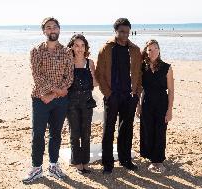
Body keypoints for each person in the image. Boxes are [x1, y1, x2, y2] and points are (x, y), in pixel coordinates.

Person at [23, 17, 74, 183]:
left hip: (59, 100)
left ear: (59, 30)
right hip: (40, 99)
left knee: (56, 134)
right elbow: (37, 76)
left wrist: (54, 94)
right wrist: (52, 92)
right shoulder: (36, 51)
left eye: (55, 27)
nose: (52, 30)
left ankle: (53, 165)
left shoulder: (67, 51)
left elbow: (69, 77)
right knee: (38, 134)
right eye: (48, 27)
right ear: (44, 31)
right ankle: (37, 168)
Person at [95, 18, 142, 174]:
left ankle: (125, 159)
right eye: (122, 31)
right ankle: (107, 163)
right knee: (109, 129)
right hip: (112, 95)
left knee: (126, 129)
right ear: (115, 31)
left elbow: (139, 73)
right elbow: (99, 74)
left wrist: (136, 92)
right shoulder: (106, 48)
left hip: (129, 96)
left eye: (127, 32)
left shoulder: (135, 50)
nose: (125, 35)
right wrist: (108, 93)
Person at [136, 39, 174, 173]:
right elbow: (139, 88)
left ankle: (159, 161)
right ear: (146, 52)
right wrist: (139, 106)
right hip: (146, 103)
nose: (153, 52)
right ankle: (152, 160)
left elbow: (171, 91)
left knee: (160, 131)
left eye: (156, 48)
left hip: (161, 103)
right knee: (148, 131)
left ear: (159, 50)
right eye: (150, 49)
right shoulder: (142, 67)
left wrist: (169, 110)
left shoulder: (167, 68)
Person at [66, 34, 98, 174]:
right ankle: (77, 162)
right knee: (75, 133)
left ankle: (85, 162)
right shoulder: (68, 62)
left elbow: (95, 83)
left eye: (82, 45)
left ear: (86, 47)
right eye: (77, 45)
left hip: (87, 101)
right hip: (71, 102)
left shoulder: (90, 63)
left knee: (86, 132)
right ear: (72, 47)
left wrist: (94, 73)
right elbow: (64, 83)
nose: (79, 49)